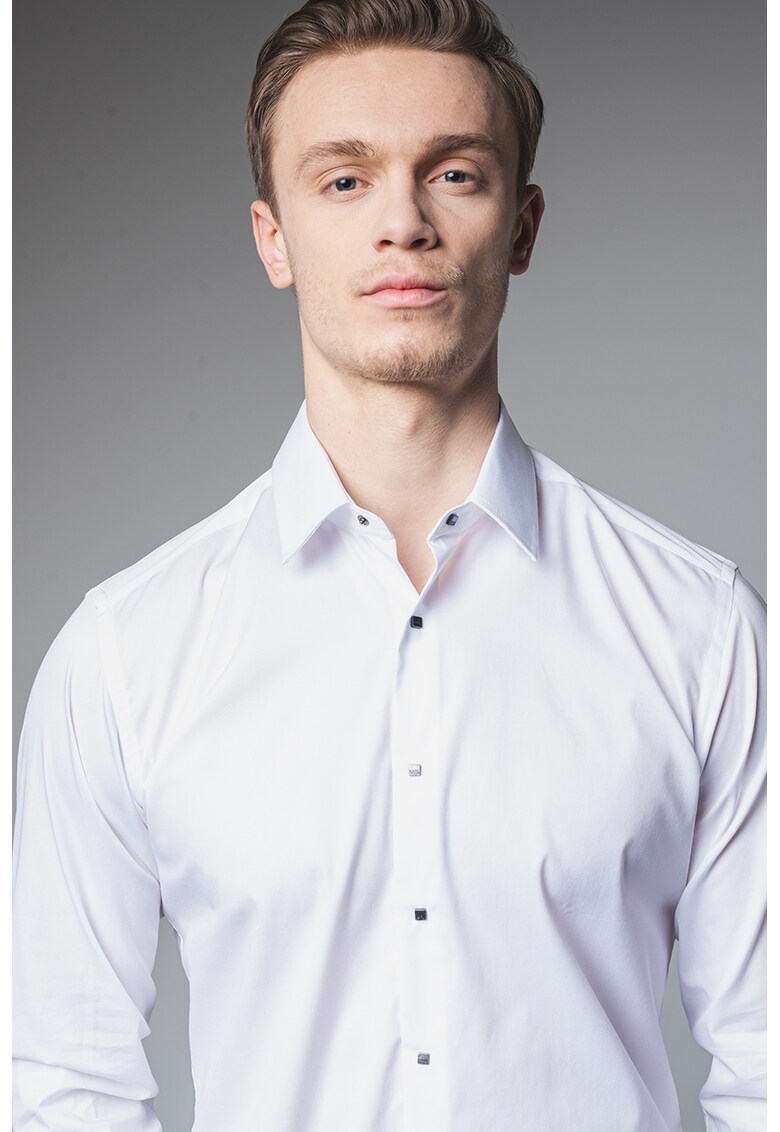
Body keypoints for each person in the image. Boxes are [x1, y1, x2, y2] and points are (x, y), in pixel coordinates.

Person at [12, 0, 765, 1129]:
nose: (403, 222)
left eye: (454, 173)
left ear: (522, 227)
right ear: (273, 237)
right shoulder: (125, 655)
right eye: (345, 179)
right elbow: (62, 1084)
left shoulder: (702, 630)